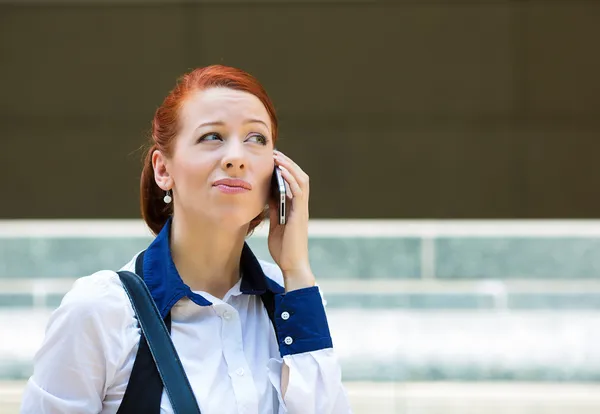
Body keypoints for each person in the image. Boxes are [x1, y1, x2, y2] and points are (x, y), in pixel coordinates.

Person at [20, 65, 352, 413]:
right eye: (212, 137)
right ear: (164, 169)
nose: (236, 157)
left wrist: (297, 272)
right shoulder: (100, 311)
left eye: (256, 139)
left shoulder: (292, 303)